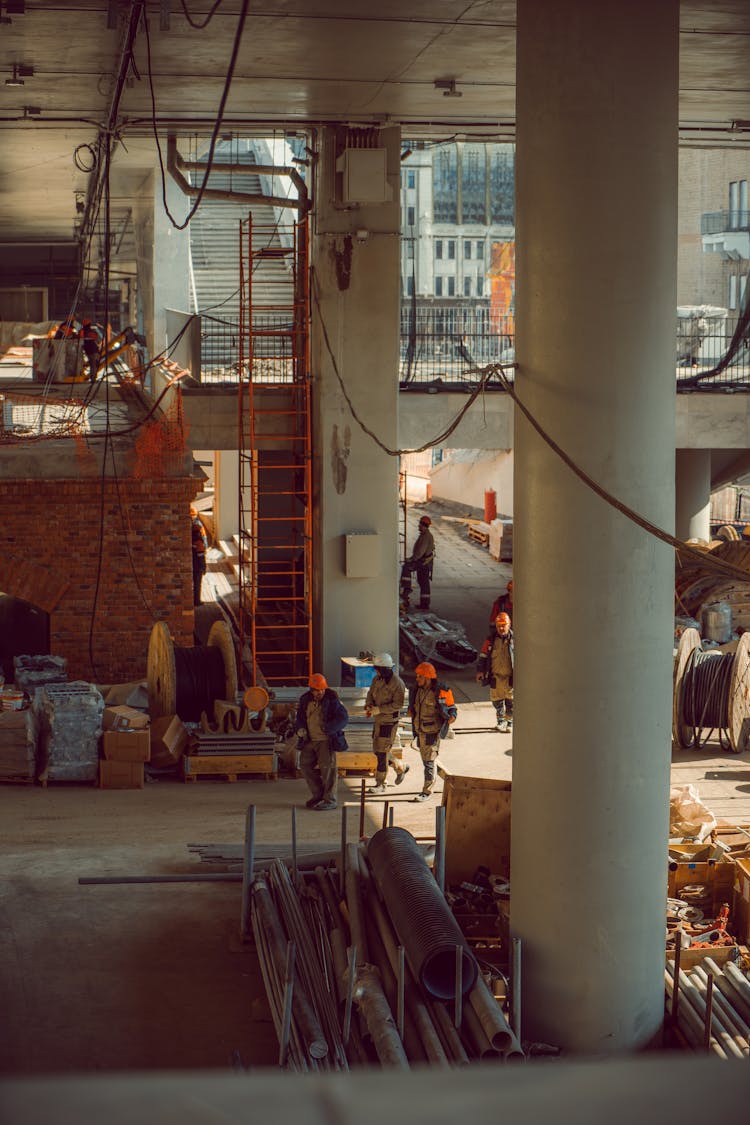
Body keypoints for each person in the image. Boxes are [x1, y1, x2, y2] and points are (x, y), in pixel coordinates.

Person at [295, 673, 349, 811]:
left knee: (328, 770)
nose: (319, 693)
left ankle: (330, 800)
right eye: (316, 690)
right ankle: (318, 795)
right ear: (311, 689)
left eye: (321, 690)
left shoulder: (332, 700)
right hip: (309, 740)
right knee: (305, 765)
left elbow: (343, 718)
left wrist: (329, 728)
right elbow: (300, 718)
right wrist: (300, 729)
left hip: (325, 741)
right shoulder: (305, 700)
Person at [407, 661, 457, 801]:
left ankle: (427, 791)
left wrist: (452, 716)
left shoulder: (441, 690)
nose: (417, 679)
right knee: (427, 760)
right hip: (420, 730)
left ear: (428, 677)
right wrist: (410, 710)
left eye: (420, 677)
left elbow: (452, 707)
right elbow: (414, 705)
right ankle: (447, 779)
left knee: (429, 761)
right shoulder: (416, 689)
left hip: (432, 731)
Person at [365, 652, 409, 793]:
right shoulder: (377, 679)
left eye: (377, 668)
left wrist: (380, 709)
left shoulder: (397, 684)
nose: (375, 671)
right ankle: (400, 766)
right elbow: (370, 694)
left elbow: (398, 704)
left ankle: (381, 784)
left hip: (389, 722)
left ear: (384, 668)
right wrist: (369, 705)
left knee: (382, 753)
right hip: (378, 721)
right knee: (377, 751)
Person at [476, 612, 514, 731]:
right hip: (495, 676)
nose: (501, 628)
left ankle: (510, 721)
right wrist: (480, 671)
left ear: (509, 625)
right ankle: (501, 720)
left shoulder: (515, 640)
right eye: (499, 626)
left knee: (511, 701)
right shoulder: (491, 640)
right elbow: (483, 655)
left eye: (504, 625)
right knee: (496, 700)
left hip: (510, 677)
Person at [400, 515, 435, 611]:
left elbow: (420, 552)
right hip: (423, 561)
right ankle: (424, 603)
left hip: (423, 562)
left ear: (423, 525)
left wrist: (412, 560)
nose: (418, 526)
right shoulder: (424, 535)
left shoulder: (426, 537)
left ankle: (407, 589)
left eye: (420, 524)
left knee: (407, 568)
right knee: (423, 582)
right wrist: (411, 558)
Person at [190, 506, 208, 606]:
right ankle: (196, 601)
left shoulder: (192, 528)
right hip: (198, 562)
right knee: (197, 582)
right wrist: (203, 566)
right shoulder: (198, 526)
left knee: (194, 583)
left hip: (194, 560)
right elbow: (203, 546)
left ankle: (195, 600)